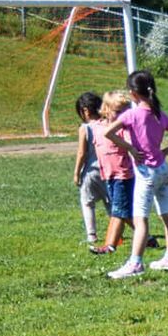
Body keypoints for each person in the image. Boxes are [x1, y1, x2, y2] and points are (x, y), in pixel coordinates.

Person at [100, 70, 168, 279]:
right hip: (163, 170)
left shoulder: (131, 115)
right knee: (167, 215)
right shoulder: (160, 115)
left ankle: (135, 263)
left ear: (133, 93)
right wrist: (164, 152)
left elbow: (108, 132)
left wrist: (130, 148)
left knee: (141, 220)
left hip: (146, 174)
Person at [89, 90, 135, 255]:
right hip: (108, 175)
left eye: (126, 111)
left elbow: (131, 143)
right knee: (124, 211)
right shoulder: (97, 127)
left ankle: (110, 246)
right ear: (106, 109)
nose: (123, 115)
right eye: (118, 111)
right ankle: (146, 236)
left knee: (118, 212)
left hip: (123, 175)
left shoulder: (124, 128)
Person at [70, 92, 107, 246]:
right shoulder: (106, 124)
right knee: (110, 202)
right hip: (108, 169)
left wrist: (76, 173)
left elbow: (82, 152)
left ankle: (91, 235)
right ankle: (116, 233)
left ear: (85, 111)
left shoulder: (85, 128)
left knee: (87, 202)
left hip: (91, 171)